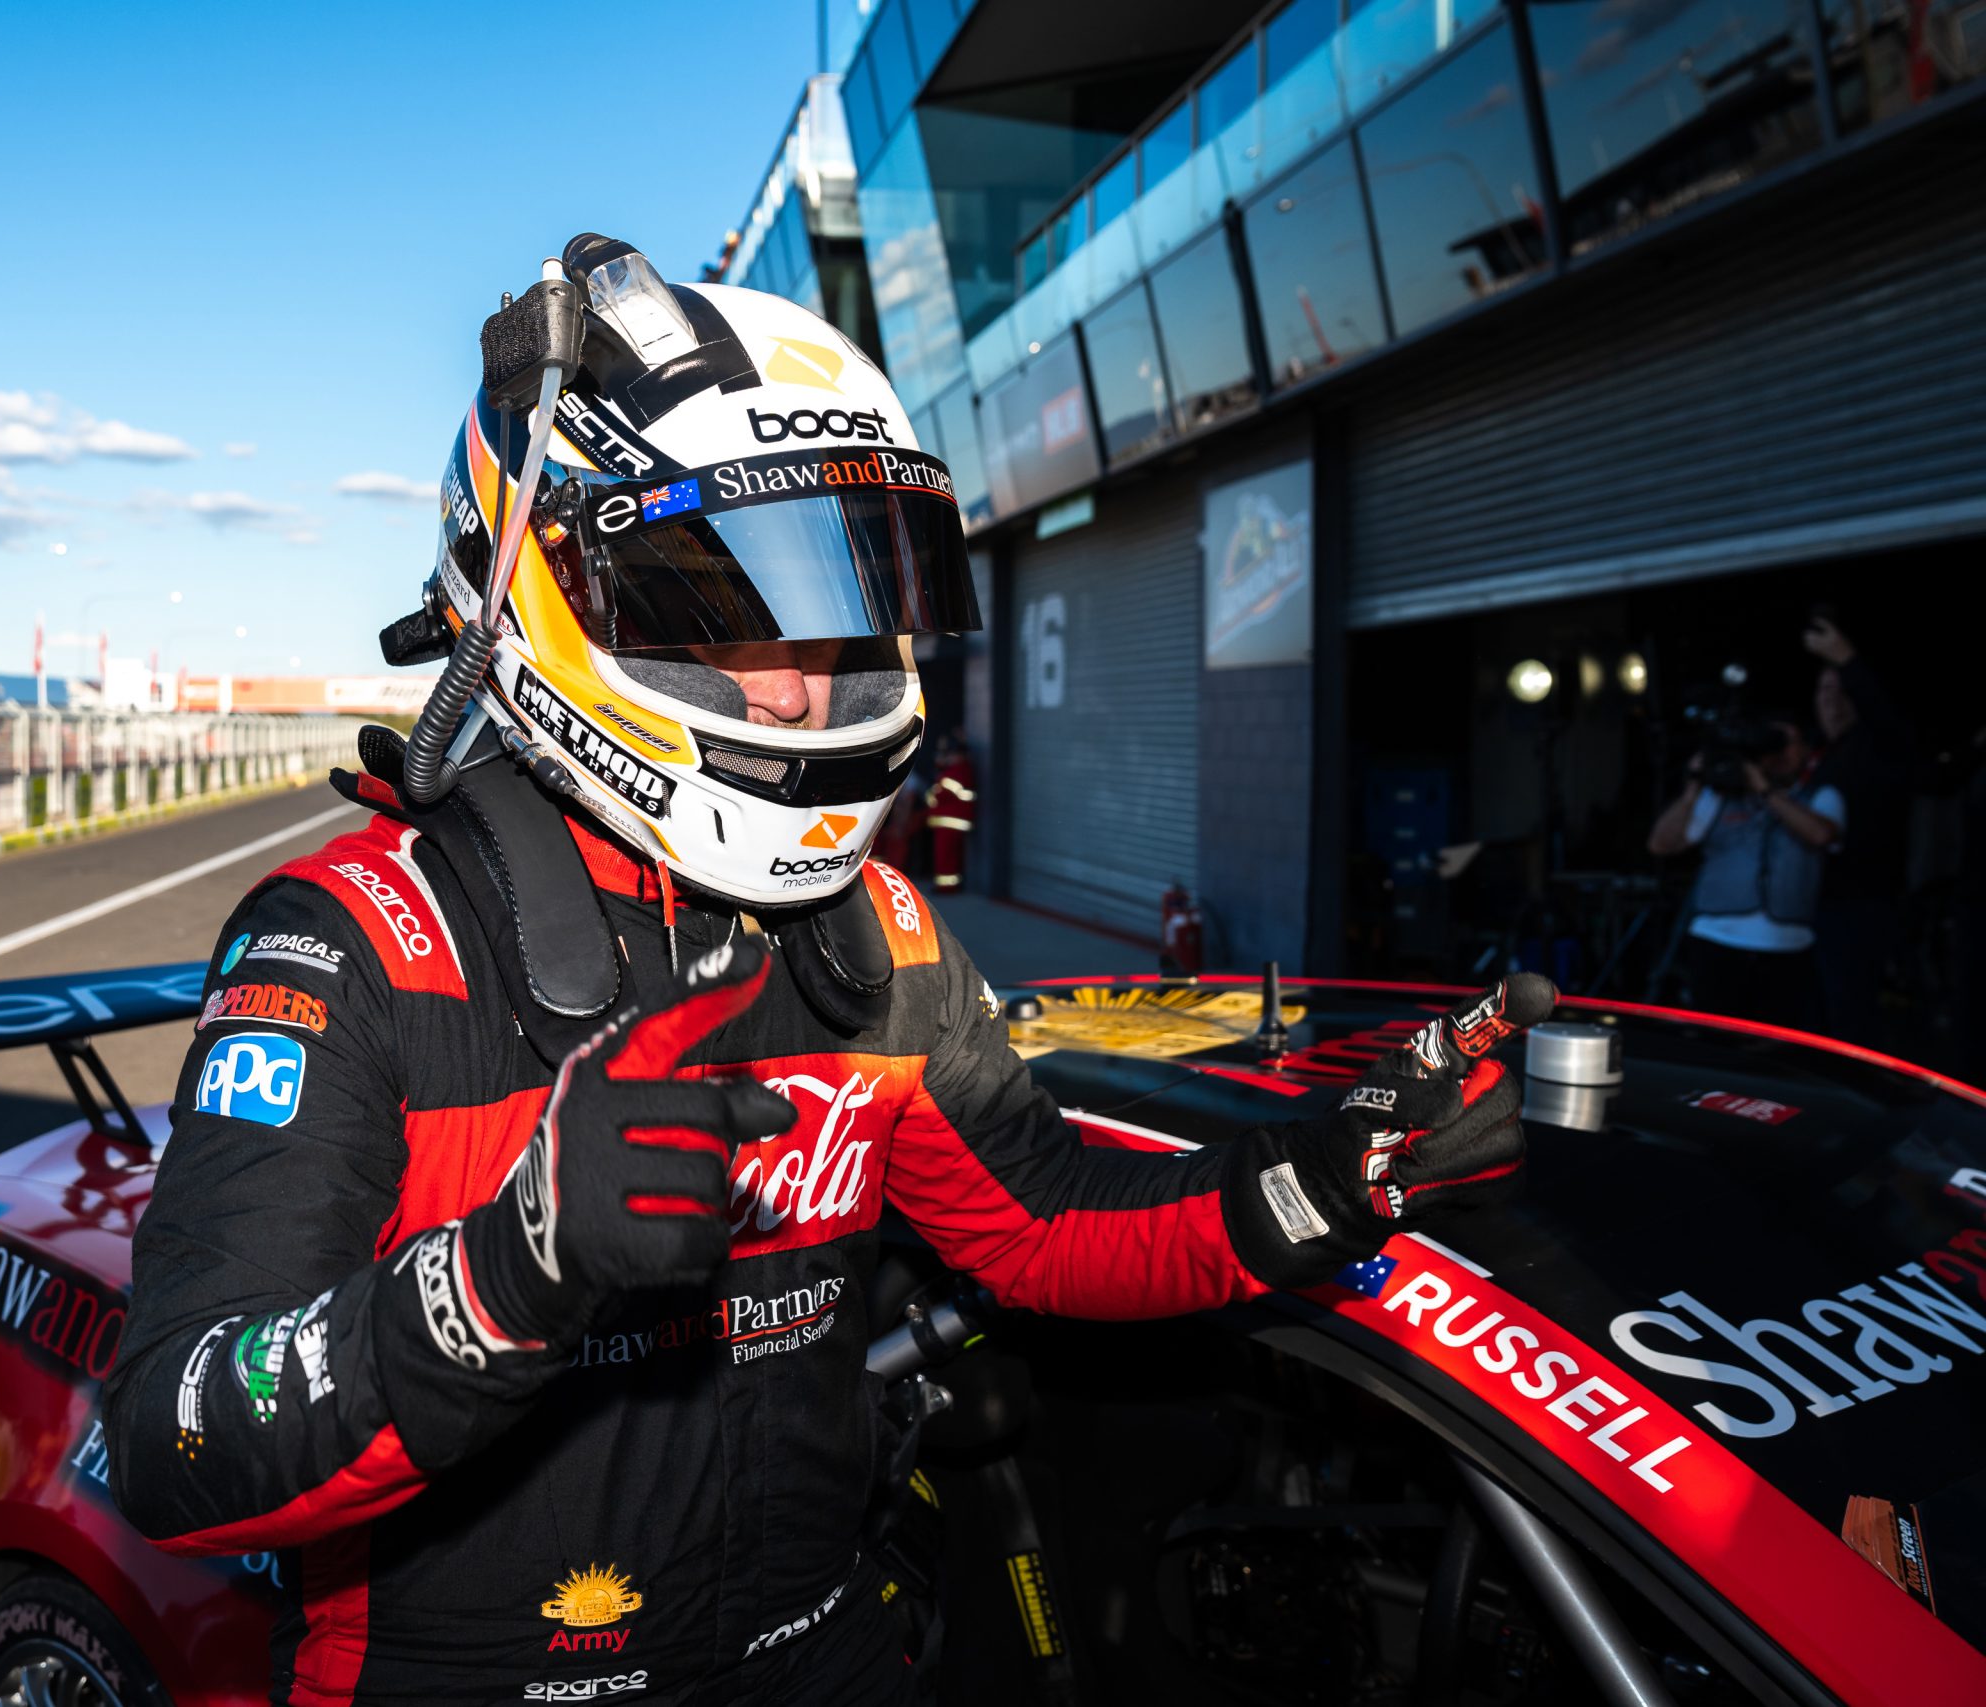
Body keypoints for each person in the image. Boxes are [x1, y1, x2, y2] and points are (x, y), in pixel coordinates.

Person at [99, 237, 1551, 1707]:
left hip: (823, 1646)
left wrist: (1327, 1173)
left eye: (836, 606)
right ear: (537, 594)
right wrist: (504, 1273)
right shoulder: (355, 942)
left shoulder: (881, 930)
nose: (800, 689)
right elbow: (171, 1439)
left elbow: (1046, 1222)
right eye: (719, 610)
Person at [1647, 714, 1843, 1029]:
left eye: (1787, 743)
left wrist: (1764, 790)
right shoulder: (1719, 797)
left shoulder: (1820, 796)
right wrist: (1693, 789)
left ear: (1806, 750)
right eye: (1772, 742)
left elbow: (1821, 835)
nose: (1779, 753)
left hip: (1788, 947)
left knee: (1780, 1046)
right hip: (1716, 940)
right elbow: (1661, 844)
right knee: (1714, 1041)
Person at [1803, 614, 1912, 1045]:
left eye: (1840, 690)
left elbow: (1885, 718)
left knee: (1853, 1019)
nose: (1831, 700)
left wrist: (1846, 659)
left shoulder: (1872, 748)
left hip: (1861, 906)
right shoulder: (1820, 756)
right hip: (1816, 906)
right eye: (1823, 690)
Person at [921, 734, 975, 893]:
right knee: (949, 855)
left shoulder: (957, 771)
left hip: (949, 822)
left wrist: (933, 793)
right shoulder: (958, 770)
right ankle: (948, 885)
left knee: (945, 855)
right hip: (952, 821)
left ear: (959, 755)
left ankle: (946, 886)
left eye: (951, 754)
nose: (949, 757)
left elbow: (941, 794)